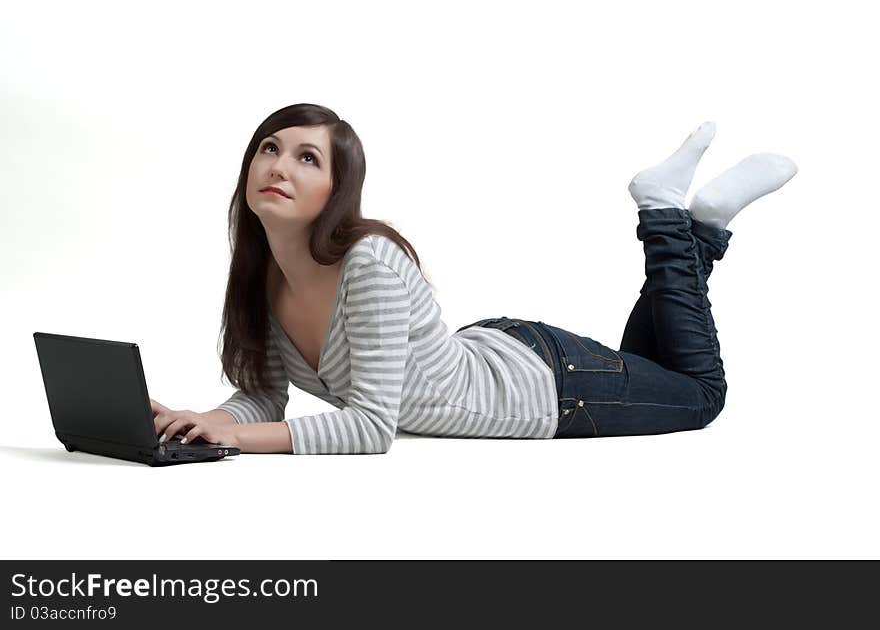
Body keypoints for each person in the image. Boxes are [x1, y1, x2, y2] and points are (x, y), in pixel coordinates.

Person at [151, 105, 797, 454]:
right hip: (498, 352)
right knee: (653, 364)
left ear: (336, 191)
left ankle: (666, 216)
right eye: (269, 147)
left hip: (548, 390)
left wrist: (236, 439)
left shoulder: (368, 261)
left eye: (306, 156)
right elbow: (262, 401)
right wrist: (202, 420)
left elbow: (371, 428)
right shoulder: (262, 281)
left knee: (700, 393)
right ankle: (700, 228)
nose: (279, 163)